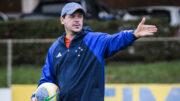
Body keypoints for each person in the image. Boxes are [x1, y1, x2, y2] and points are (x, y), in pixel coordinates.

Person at [31, 2, 157, 101]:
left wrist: (133, 34)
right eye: (72, 16)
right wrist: (36, 95)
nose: (77, 20)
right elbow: (47, 78)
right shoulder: (54, 49)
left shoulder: (94, 40)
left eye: (80, 16)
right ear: (62, 20)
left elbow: (115, 40)